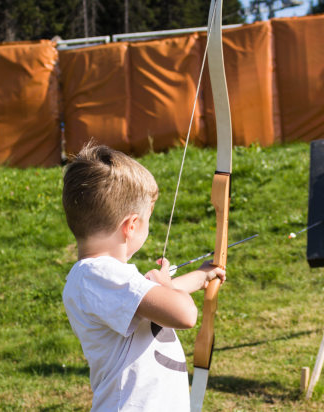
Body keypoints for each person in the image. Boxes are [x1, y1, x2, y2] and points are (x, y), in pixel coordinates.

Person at [61, 143, 226, 412]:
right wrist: (167, 286)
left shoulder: (102, 278)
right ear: (131, 226)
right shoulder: (98, 275)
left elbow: (151, 302)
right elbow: (183, 314)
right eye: (148, 220)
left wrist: (200, 276)